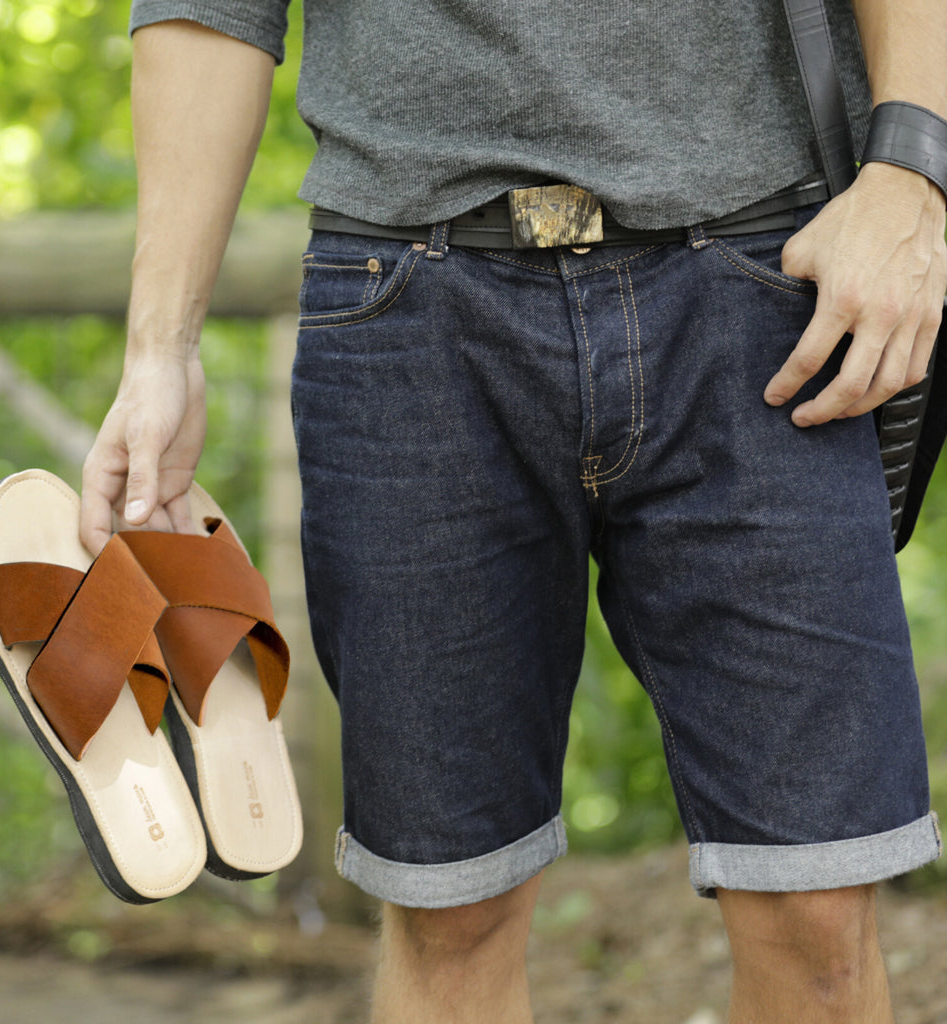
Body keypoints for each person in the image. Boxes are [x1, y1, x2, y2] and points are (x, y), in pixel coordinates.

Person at [79, 1, 946, 1020]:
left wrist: (911, 168)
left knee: (821, 913)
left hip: (763, 279)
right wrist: (158, 350)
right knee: (450, 912)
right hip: (405, 303)